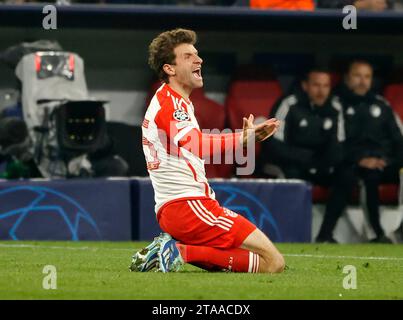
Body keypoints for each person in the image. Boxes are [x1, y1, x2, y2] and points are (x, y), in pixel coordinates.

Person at [130, 28, 285, 274]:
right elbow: (198, 145)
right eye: (188, 56)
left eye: (197, 54)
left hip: (175, 209)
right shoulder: (172, 104)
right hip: (189, 207)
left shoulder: (170, 100)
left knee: (252, 261)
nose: (199, 59)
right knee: (274, 263)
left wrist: (244, 139)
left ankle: (176, 250)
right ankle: (176, 251)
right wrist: (243, 138)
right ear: (169, 69)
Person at [258, 68, 356, 243]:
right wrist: (306, 158)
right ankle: (293, 234)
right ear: (305, 86)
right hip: (291, 163)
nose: (321, 90)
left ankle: (325, 235)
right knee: (293, 176)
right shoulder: (289, 104)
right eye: (316, 85)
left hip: (320, 164)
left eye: (325, 86)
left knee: (346, 175)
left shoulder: (335, 107)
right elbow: (273, 144)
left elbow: (339, 146)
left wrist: (323, 161)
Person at [335, 60, 403, 242]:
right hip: (352, 163)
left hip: (384, 162)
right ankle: (376, 233)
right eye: (357, 75)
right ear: (347, 78)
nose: (362, 81)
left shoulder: (382, 105)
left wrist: (387, 160)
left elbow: (399, 139)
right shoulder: (336, 104)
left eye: (367, 76)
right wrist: (359, 159)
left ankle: (401, 228)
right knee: (368, 176)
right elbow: (334, 143)